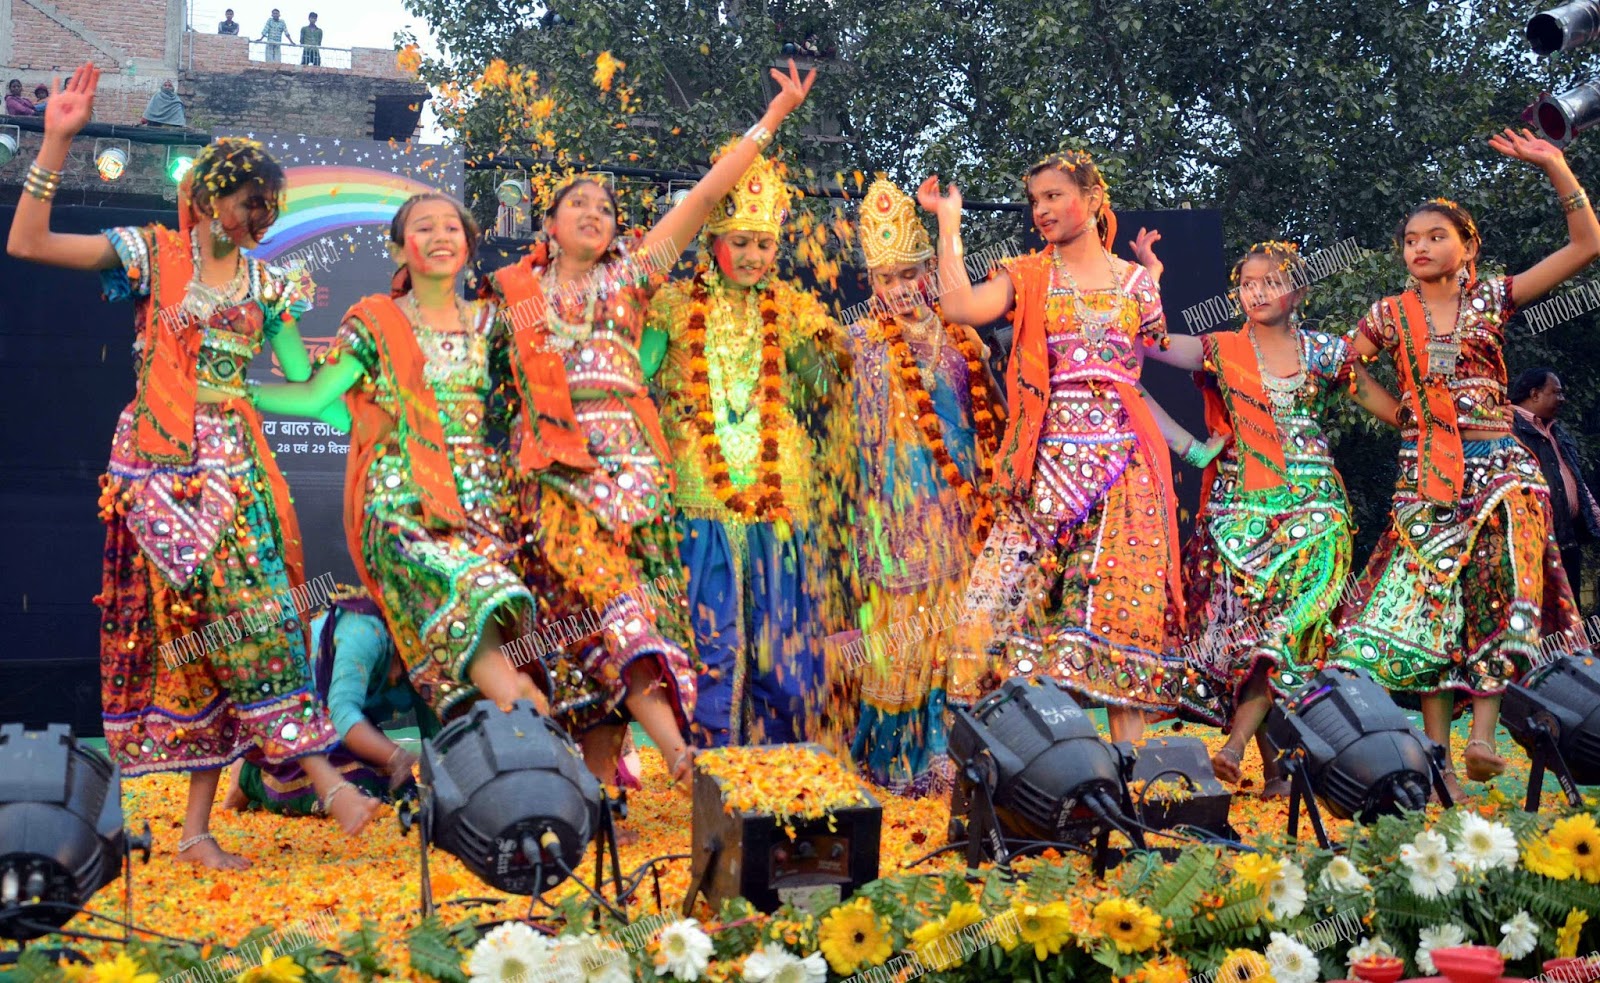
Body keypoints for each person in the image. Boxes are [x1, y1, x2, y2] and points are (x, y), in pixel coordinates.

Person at [6, 63, 379, 870]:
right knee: (249, 615)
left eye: (269, 208)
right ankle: (320, 768)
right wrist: (57, 140)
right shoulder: (150, 255)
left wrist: (359, 367)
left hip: (236, 467)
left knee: (219, 632)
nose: (262, 217)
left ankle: (196, 832)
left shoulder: (273, 284)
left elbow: (303, 388)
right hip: (155, 467)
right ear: (214, 195)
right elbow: (26, 242)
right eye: (252, 202)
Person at [488, 61, 817, 789]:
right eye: (577, 204)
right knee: (567, 621)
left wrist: (773, 119)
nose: (594, 213)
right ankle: (600, 777)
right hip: (550, 477)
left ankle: (634, 771)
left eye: (605, 207)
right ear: (548, 224)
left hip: (630, 482)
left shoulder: (632, 276)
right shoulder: (515, 296)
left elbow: (705, 195)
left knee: (619, 610)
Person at [1329, 128, 1600, 801]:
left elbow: (1587, 246)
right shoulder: (1388, 313)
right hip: (1426, 475)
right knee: (1429, 607)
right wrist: (1397, 414)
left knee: (1503, 592)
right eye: (1410, 240)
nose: (1419, 247)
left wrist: (1556, 165)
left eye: (1435, 236)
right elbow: (1344, 366)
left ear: (1468, 248)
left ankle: (1483, 735)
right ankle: (1437, 755)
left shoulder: (1493, 298)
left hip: (1501, 467)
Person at [922, 151, 1211, 744]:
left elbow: (1157, 359)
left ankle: (1125, 782)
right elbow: (958, 307)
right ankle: (1023, 764)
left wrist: (1242, 351)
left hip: (1128, 465)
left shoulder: (1136, 286)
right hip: (1046, 461)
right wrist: (949, 225)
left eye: (1054, 195)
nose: (1042, 210)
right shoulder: (1028, 274)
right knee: (998, 607)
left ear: (1093, 197)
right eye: (1035, 201)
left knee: (1120, 611)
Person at [249, 193, 551, 727]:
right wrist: (233, 392)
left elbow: (541, 396)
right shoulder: (374, 322)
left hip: (483, 504)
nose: (440, 237)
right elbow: (316, 395)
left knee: (498, 631)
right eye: (424, 227)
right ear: (398, 251)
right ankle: (529, 722)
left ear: (468, 244)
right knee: (474, 594)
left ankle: (506, 769)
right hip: (401, 505)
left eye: (452, 229)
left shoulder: (491, 324)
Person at [1132, 237, 1399, 794]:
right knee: (1250, 642)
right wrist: (1189, 446)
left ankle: (1234, 748)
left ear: (1298, 290)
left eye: (1271, 281)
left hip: (1316, 511)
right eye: (1247, 283)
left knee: (1286, 630)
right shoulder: (1218, 348)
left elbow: (1398, 412)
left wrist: (1473, 415)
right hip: (1237, 516)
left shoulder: (1327, 354)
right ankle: (1277, 770)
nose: (1257, 292)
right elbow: (1135, 350)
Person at [641, 144, 850, 751]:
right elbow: (636, 377)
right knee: (715, 641)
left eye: (764, 244)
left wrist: (833, 350)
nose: (754, 256)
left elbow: (821, 384)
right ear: (711, 240)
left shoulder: (792, 307)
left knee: (782, 640)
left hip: (781, 498)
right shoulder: (675, 307)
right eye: (741, 242)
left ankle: (782, 762)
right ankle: (709, 768)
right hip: (701, 496)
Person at [841, 179, 1001, 795]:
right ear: (873, 286)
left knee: (960, 624)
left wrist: (949, 222)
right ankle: (908, 751)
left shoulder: (964, 338)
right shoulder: (859, 344)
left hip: (962, 508)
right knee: (906, 626)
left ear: (929, 272)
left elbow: (991, 418)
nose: (900, 289)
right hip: (898, 512)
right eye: (886, 279)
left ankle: (955, 745)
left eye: (909, 274)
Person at [225, 586, 437, 813]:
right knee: (356, 790)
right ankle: (251, 773)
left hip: (343, 730)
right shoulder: (363, 630)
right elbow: (343, 716)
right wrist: (395, 757)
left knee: (398, 792)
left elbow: (434, 724)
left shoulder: (421, 648)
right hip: (292, 721)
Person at [1513, 367, 1600, 615]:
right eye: (1557, 393)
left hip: (1567, 539)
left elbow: (1577, 481)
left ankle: (1569, 653)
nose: (1562, 399)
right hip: (1533, 545)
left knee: (1569, 613)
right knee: (1539, 614)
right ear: (1535, 394)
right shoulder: (1510, 430)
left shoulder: (1557, 432)